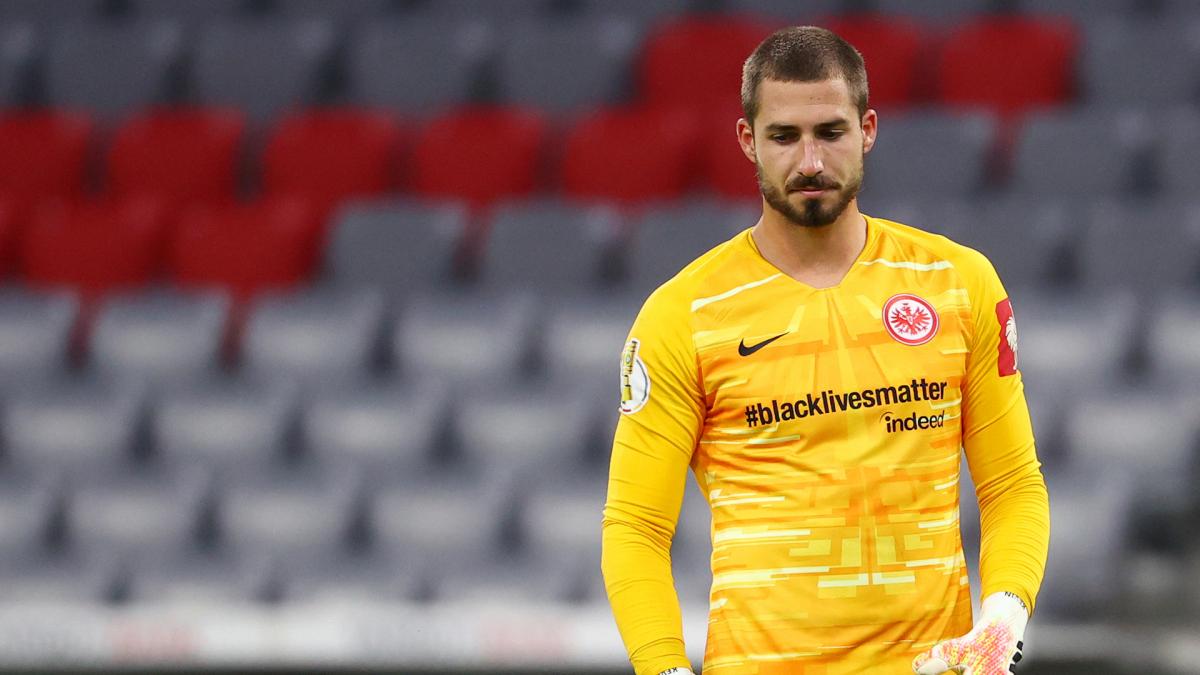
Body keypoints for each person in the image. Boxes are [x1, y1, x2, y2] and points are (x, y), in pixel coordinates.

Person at [601, 26, 1050, 675]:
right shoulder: (683, 315)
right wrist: (663, 666)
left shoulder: (957, 283)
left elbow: (1012, 485)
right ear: (747, 139)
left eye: (830, 132)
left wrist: (1006, 612)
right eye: (784, 136)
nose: (809, 161)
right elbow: (635, 526)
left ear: (867, 129)